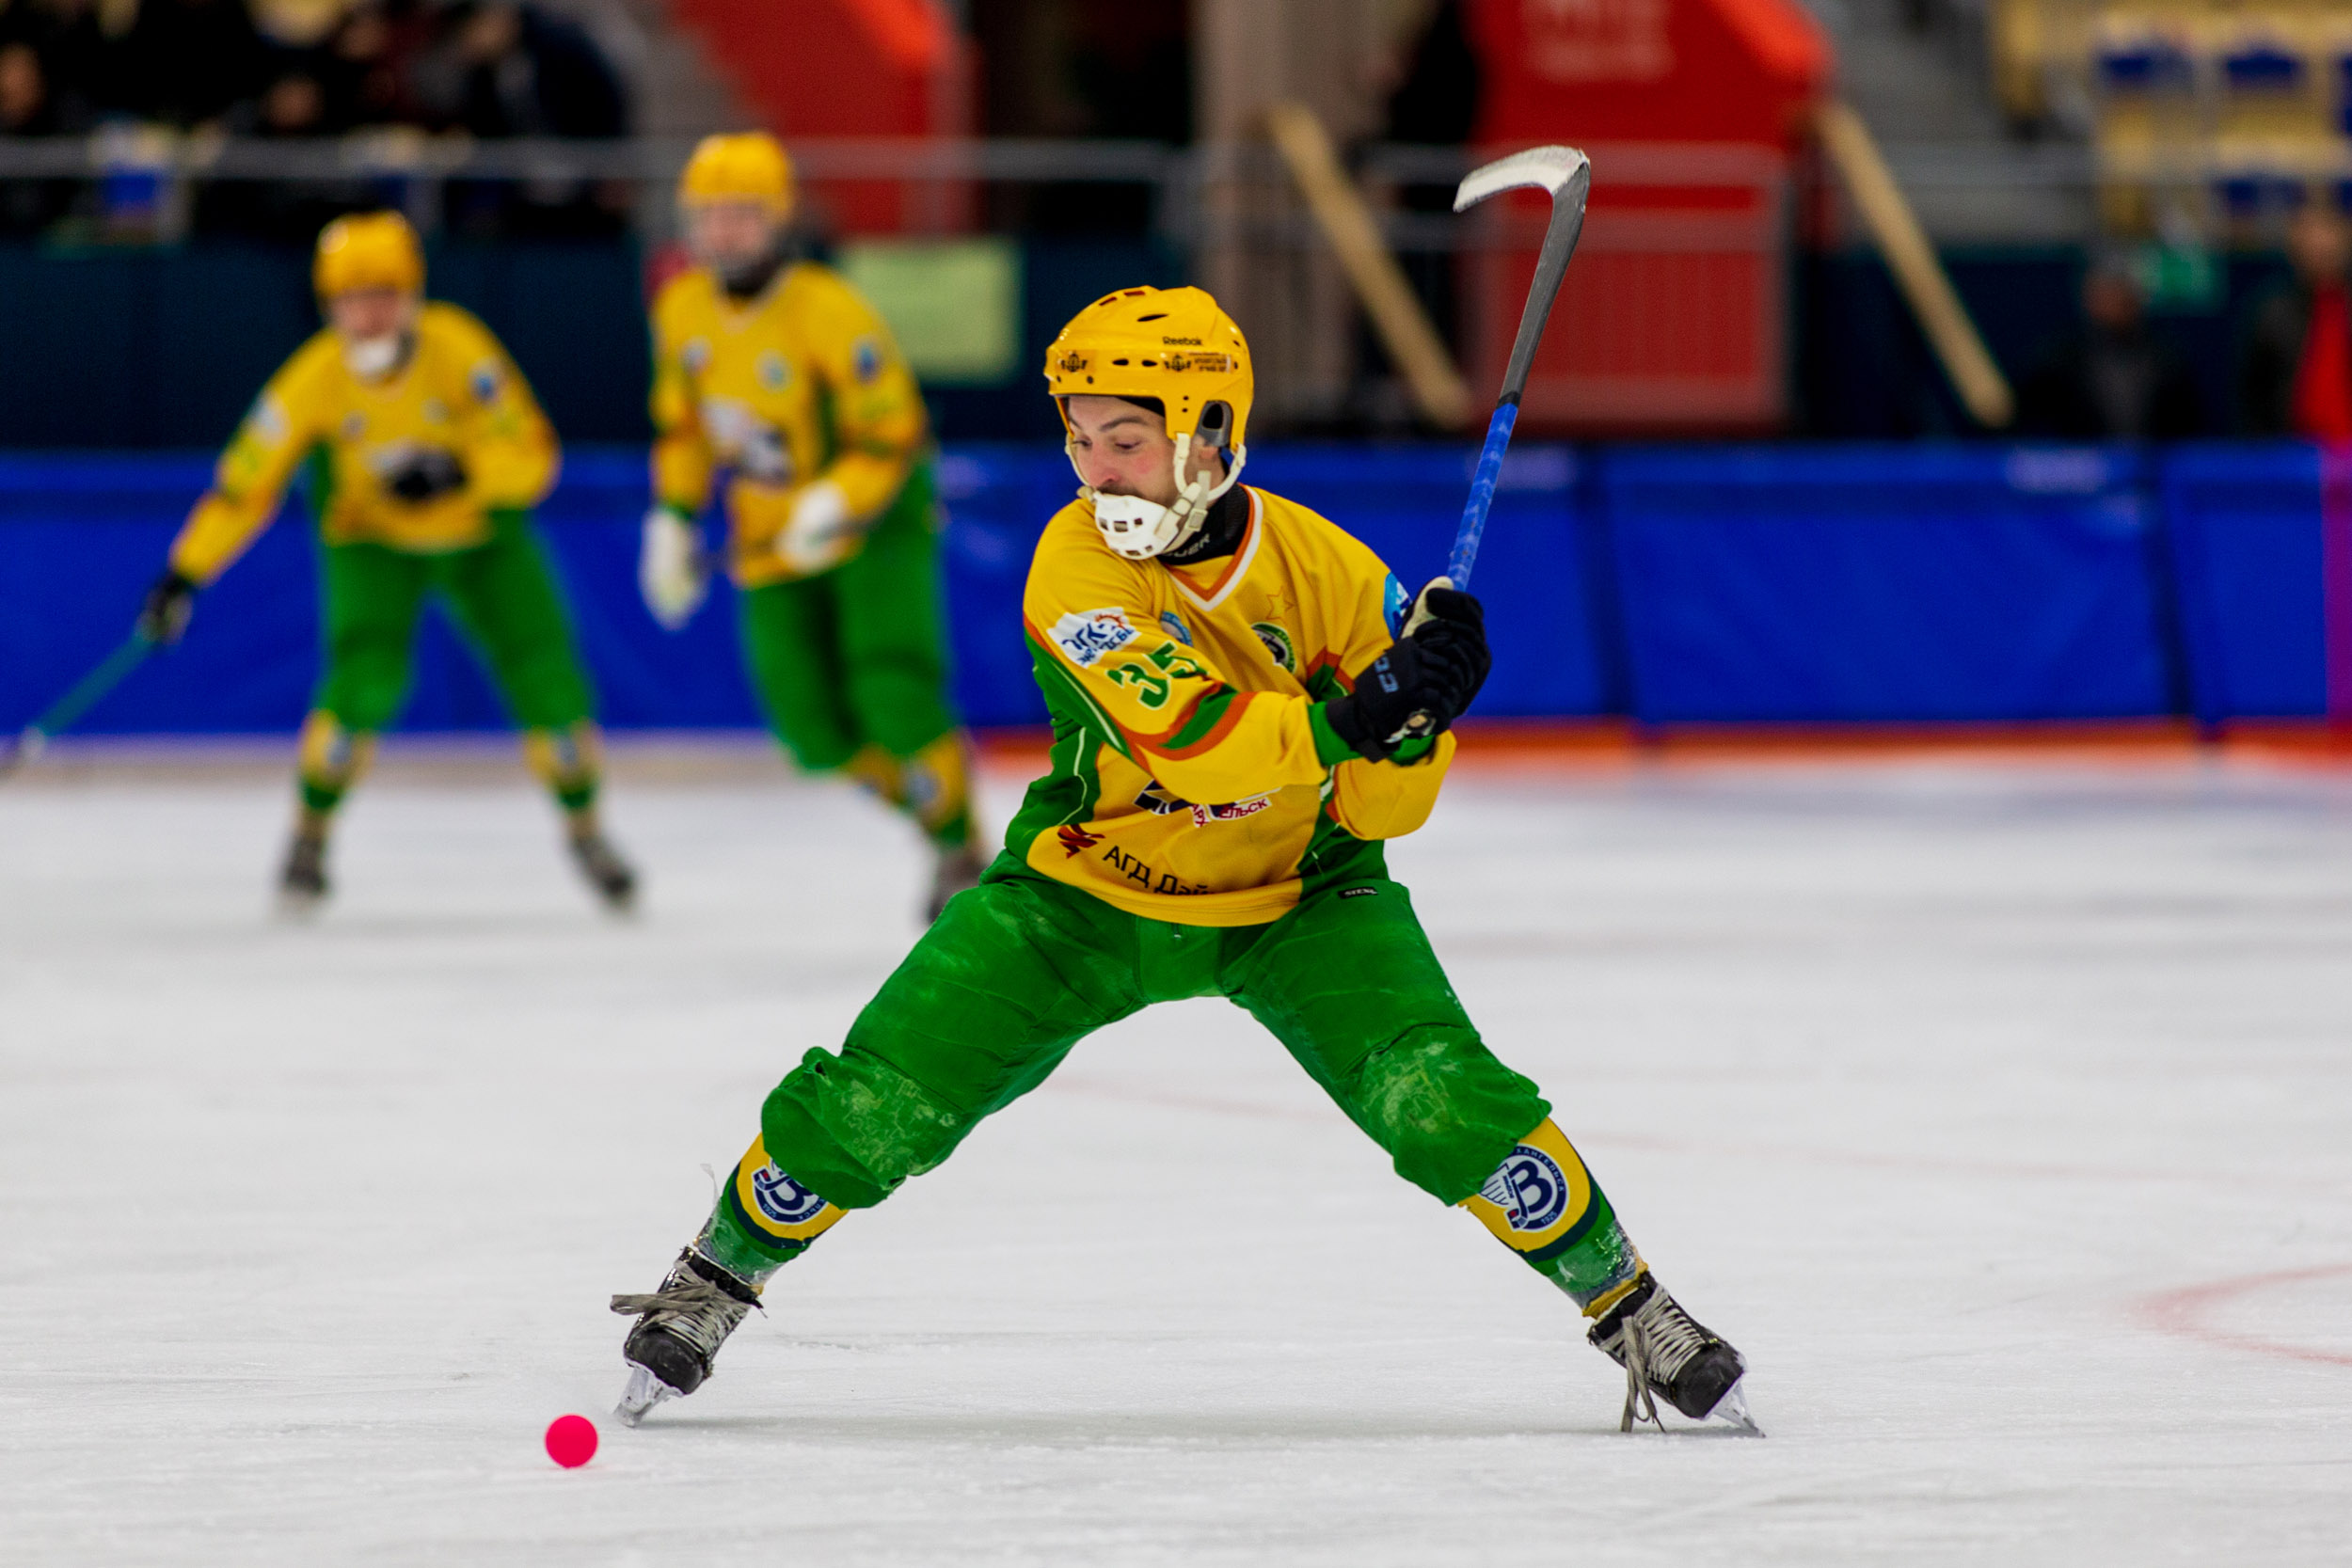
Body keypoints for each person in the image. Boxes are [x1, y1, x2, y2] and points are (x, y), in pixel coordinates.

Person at [609, 285, 1755, 1435]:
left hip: (1299, 896)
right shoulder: (1072, 567)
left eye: (1125, 439)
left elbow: (1380, 806)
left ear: (1208, 433)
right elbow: (1198, 745)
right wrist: (1356, 714)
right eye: (1078, 439)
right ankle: (714, 1274)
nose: (1095, 470)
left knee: (1437, 1093)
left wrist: (1420, 715)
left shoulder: (1334, 572)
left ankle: (1630, 1302)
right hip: (1081, 893)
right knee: (883, 1093)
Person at [136, 210, 637, 911]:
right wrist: (183, 573)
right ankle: (310, 832)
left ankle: (586, 828)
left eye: (384, 295)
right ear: (328, 304)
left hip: (482, 538)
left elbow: (531, 451)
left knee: (550, 681)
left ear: (412, 295)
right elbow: (244, 485)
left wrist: (462, 472)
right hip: (372, 544)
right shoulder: (312, 379)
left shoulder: (459, 347)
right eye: (352, 298)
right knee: (359, 688)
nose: (369, 315)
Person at [638, 132, 985, 919]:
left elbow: (890, 431)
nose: (724, 232)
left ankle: (957, 844)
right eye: (710, 215)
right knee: (808, 726)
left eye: (743, 215)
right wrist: (671, 518)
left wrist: (833, 501)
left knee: (892, 687)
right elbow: (685, 430)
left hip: (874, 520)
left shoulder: (830, 312)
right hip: (770, 532)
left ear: (779, 221)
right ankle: (934, 811)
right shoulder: (681, 310)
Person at [2016, 254, 2203, 440]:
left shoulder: (2166, 359)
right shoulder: (2061, 359)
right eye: (2101, 295)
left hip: (2155, 466)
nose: (2111, 304)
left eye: (2120, 294)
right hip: (2082, 466)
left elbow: (2190, 424)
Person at [2240, 204, 2352, 438]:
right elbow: (2252, 396)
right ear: (2295, 246)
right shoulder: (2273, 313)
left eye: (2328, 232)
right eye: (2310, 235)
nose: (2321, 245)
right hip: (2291, 457)